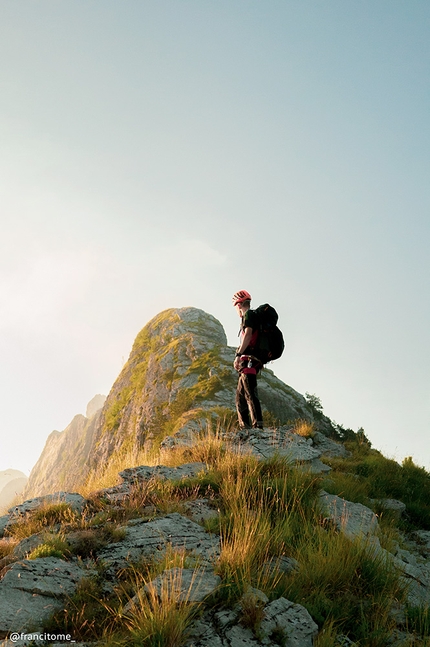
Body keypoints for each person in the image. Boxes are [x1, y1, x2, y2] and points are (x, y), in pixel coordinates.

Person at [232, 290, 264, 431]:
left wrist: (238, 354)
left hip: (249, 361)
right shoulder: (250, 316)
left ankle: (258, 427)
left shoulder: (249, 315)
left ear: (239, 305)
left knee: (250, 394)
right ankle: (244, 429)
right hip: (247, 362)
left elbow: (249, 334)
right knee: (240, 398)